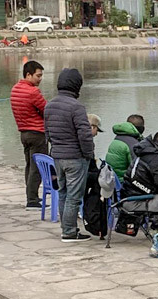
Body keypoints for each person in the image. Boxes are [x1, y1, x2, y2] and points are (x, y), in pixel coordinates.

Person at [43, 68, 95, 242]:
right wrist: (89, 154)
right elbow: (85, 134)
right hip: (75, 157)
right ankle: (70, 232)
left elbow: (47, 133)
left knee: (63, 192)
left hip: (57, 156)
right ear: (77, 86)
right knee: (74, 196)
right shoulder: (76, 107)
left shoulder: (49, 105)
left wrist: (55, 148)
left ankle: (66, 228)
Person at [10, 60, 47, 210]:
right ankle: (32, 200)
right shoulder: (33, 92)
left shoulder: (15, 89)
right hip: (37, 133)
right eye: (38, 76)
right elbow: (46, 110)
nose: (40, 78)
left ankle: (31, 196)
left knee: (29, 166)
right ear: (28, 75)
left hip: (24, 133)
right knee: (37, 168)